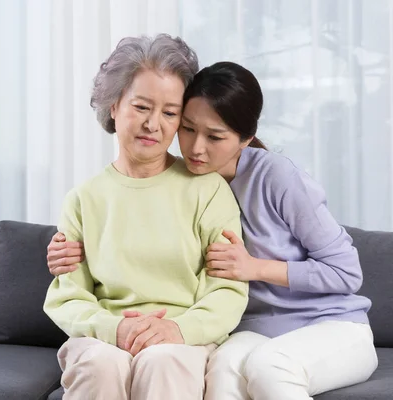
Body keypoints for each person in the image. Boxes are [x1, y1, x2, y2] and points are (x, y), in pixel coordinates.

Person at [47, 61, 378, 400]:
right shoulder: (187, 181)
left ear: (245, 139)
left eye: (215, 136)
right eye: (188, 129)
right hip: (257, 328)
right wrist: (65, 251)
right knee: (220, 374)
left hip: (324, 322)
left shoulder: (274, 178)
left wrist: (254, 268)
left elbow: (346, 273)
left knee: (269, 367)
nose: (195, 148)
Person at [43, 36, 249, 400]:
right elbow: (68, 297)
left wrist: (178, 330)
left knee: (163, 360)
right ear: (114, 106)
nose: (154, 124)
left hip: (184, 338)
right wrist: (112, 330)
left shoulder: (208, 190)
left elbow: (228, 292)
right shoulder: (83, 199)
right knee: (100, 363)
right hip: (103, 336)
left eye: (170, 113)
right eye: (141, 107)